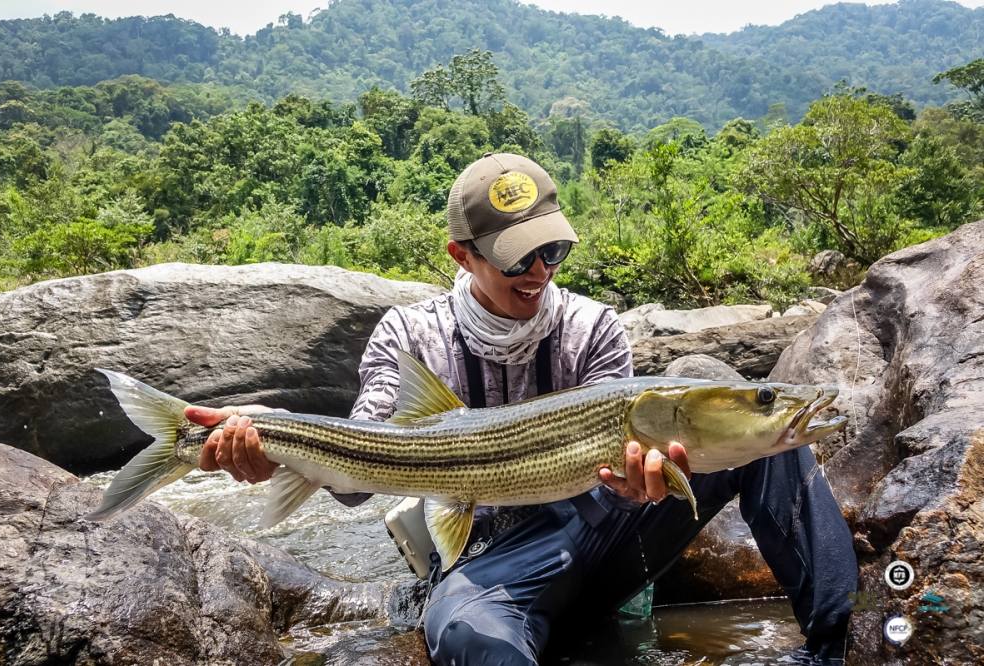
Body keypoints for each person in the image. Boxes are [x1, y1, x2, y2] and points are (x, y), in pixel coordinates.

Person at [186, 153, 857, 665]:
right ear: (462, 255)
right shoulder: (409, 336)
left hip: (602, 535)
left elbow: (634, 481)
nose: (540, 272)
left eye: (552, 251)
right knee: (475, 643)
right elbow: (362, 466)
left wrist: (641, 486)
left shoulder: (594, 328)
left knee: (774, 437)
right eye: (517, 259)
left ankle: (836, 645)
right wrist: (272, 443)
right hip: (489, 564)